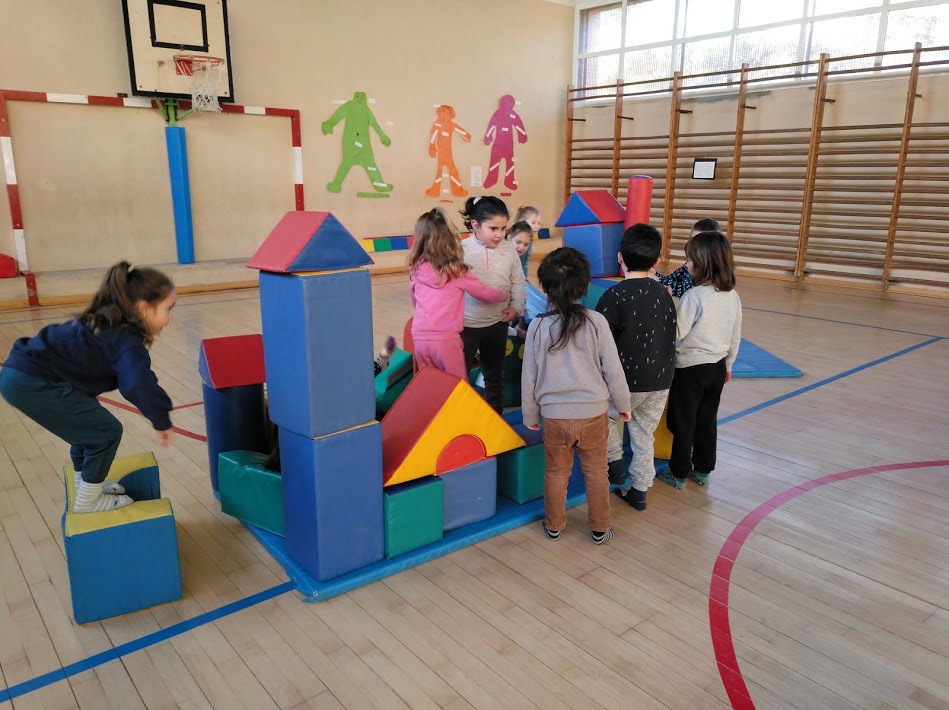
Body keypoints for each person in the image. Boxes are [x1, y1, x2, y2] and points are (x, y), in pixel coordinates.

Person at [0, 261, 176, 513]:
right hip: (32, 380)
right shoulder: (126, 340)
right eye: (168, 309)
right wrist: (161, 419)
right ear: (142, 308)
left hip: (23, 373)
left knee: (87, 428)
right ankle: (88, 502)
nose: (170, 318)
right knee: (106, 432)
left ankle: (86, 486)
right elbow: (137, 383)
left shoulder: (106, 323)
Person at [521, 247, 631, 545]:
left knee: (556, 473)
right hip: (593, 414)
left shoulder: (538, 325)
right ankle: (600, 528)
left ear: (545, 288)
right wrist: (623, 404)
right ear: (584, 287)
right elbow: (613, 369)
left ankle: (554, 525)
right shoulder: (596, 321)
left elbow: (529, 375)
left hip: (554, 416)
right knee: (596, 473)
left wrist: (530, 414)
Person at [595, 224, 677, 511]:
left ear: (620, 258)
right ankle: (640, 491)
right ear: (657, 261)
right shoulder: (664, 294)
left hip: (624, 381)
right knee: (644, 435)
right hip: (660, 380)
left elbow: (600, 343)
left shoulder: (613, 296)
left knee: (605, 420)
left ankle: (615, 463)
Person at [657, 231, 742, 490]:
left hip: (690, 370)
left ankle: (679, 473)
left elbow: (676, 333)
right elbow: (735, 335)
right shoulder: (732, 296)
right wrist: (729, 365)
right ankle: (703, 470)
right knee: (707, 420)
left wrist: (665, 305)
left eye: (690, 261)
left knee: (683, 422)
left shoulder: (693, 296)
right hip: (717, 368)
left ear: (703, 264)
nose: (687, 266)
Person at [409, 208, 508, 379]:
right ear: (450, 239)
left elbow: (414, 301)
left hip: (419, 336)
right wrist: (503, 294)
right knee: (457, 386)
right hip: (446, 340)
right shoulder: (456, 271)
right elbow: (484, 293)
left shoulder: (417, 269)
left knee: (429, 382)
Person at [460, 196, 526, 412]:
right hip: (466, 325)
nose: (499, 234)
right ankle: (462, 418)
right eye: (493, 229)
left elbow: (518, 281)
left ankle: (496, 419)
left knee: (495, 377)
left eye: (503, 229)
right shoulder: (461, 250)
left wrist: (516, 306)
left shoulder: (509, 250)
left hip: (497, 324)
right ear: (475, 225)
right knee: (460, 378)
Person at [656, 218, 721, 297]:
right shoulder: (690, 262)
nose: (692, 244)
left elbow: (680, 289)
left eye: (698, 241)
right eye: (691, 239)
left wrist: (654, 278)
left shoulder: (708, 270)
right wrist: (651, 272)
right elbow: (671, 279)